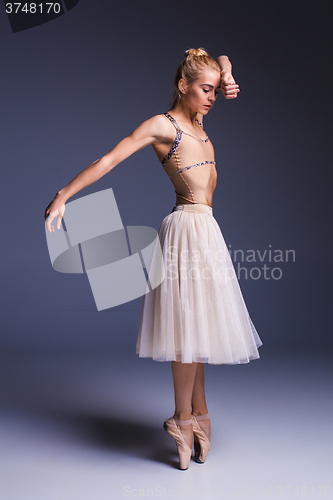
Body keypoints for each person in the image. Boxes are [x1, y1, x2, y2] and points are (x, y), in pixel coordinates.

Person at [44, 48, 263, 470]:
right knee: (187, 328)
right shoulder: (163, 126)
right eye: (205, 89)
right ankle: (184, 419)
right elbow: (109, 158)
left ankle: (199, 415)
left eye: (216, 91)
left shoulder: (199, 123)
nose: (212, 97)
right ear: (183, 86)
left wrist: (229, 73)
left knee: (200, 325)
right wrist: (63, 196)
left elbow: (222, 55)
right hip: (185, 230)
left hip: (207, 230)